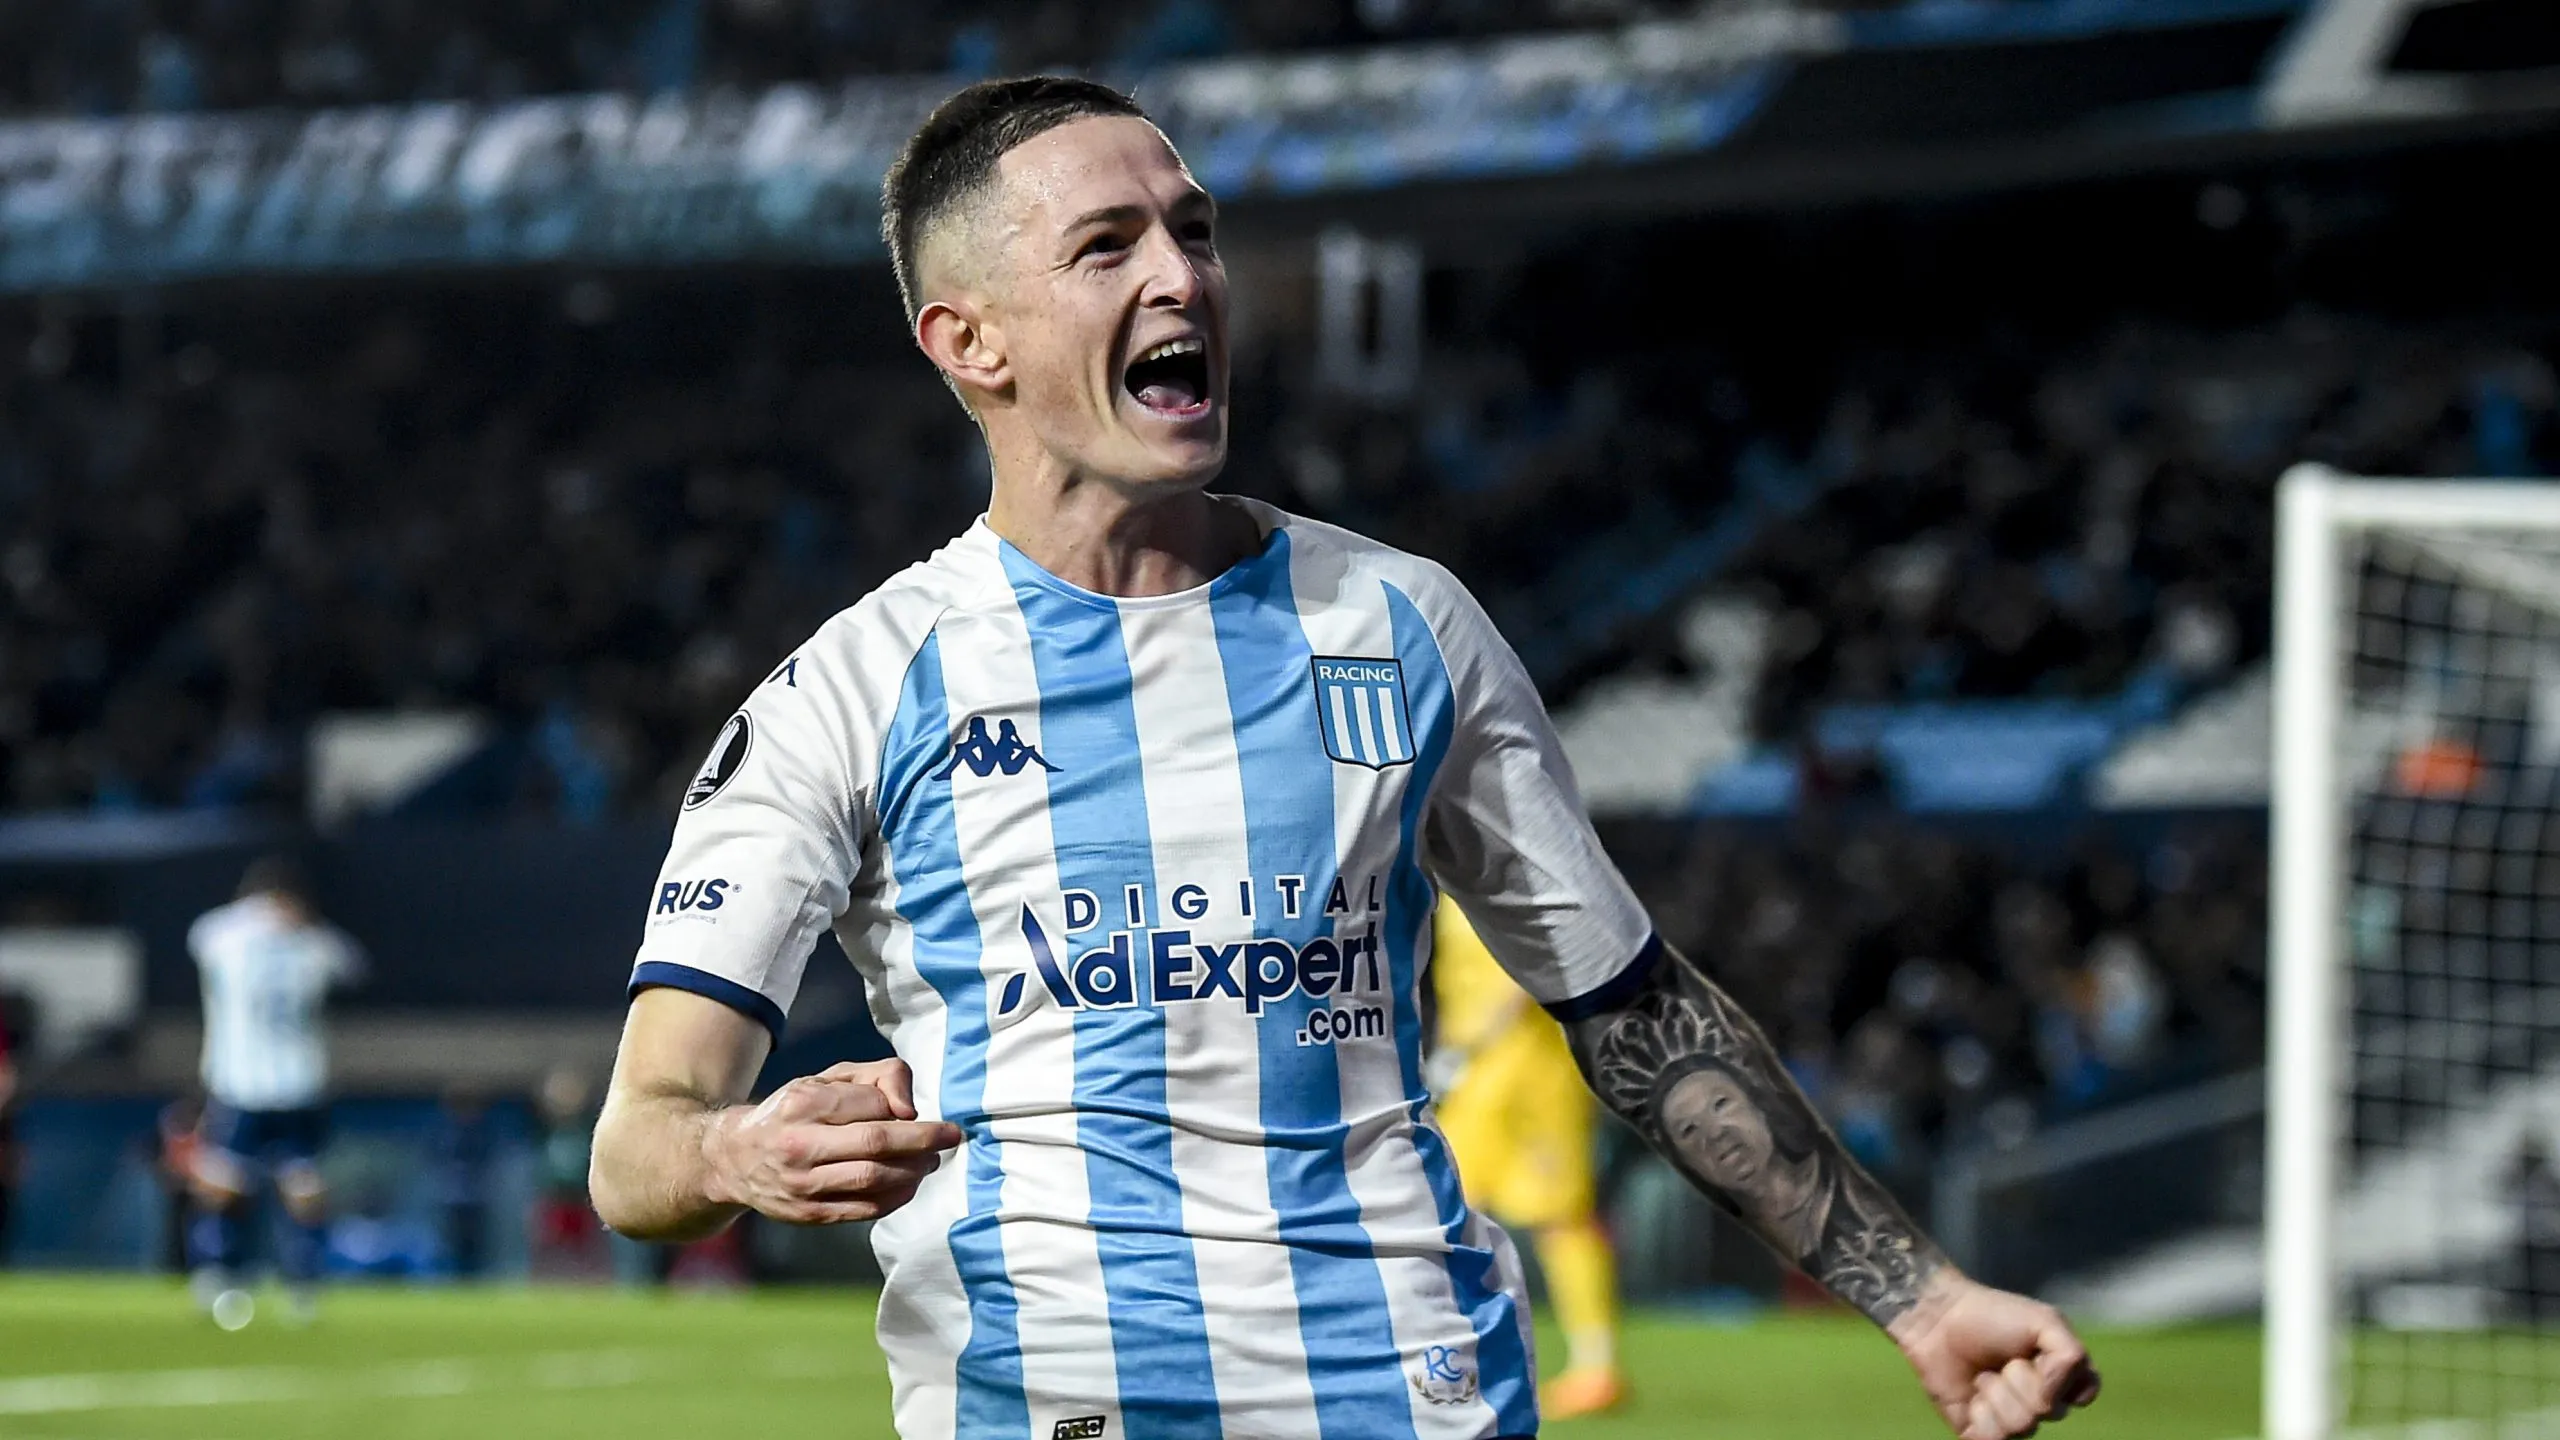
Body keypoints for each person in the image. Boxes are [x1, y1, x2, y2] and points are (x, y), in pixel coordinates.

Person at [590, 75, 2100, 1440]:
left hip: (1408, 1392)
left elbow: (1632, 1010)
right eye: (1108, 246)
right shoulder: (847, 695)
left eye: (1195, 230)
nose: (1184, 275)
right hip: (1045, 1406)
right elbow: (634, 1146)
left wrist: (1914, 1293)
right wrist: (736, 1151)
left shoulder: (1400, 624)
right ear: (967, 338)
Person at [1429, 897, 1628, 1418]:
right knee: (1442, 1215)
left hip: (1532, 1078)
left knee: (1561, 1217)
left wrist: (1474, 1041)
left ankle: (1597, 1366)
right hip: (1476, 1077)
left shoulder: (1508, 879)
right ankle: (1449, 1357)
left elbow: (1529, 965)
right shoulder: (1448, 888)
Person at [185, 856, 363, 1328]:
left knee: (223, 1185)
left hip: (239, 1081)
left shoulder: (223, 934)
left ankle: (218, 1280)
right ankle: (303, 1287)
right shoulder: (313, 943)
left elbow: (200, 939)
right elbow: (352, 965)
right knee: (302, 1185)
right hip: (298, 1083)